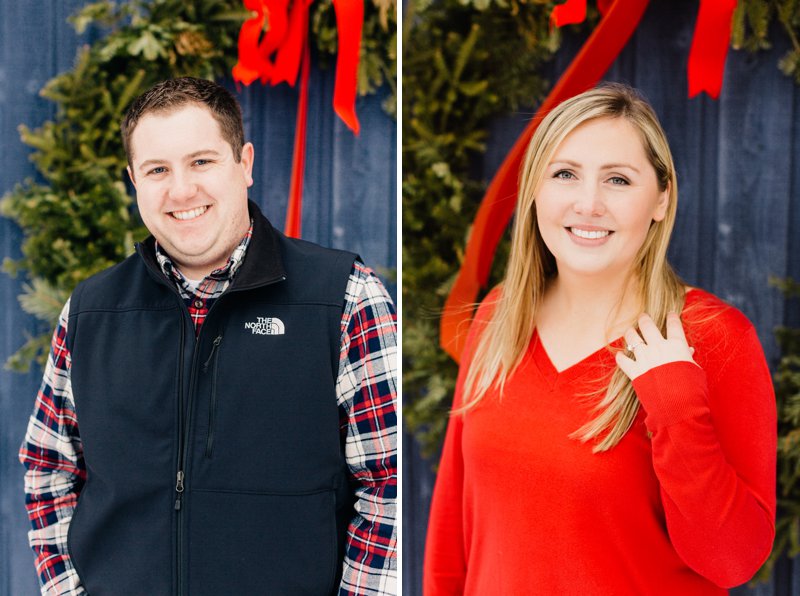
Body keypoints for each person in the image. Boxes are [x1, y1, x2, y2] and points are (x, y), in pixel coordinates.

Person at [19, 77, 397, 595]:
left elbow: (387, 486)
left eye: (201, 162)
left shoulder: (346, 298)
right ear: (134, 180)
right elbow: (47, 468)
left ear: (243, 163)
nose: (181, 190)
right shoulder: (92, 310)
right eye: (157, 170)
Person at [423, 83, 776, 595]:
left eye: (617, 180)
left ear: (661, 198)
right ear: (536, 190)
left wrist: (676, 404)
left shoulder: (713, 337)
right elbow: (452, 527)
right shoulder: (501, 314)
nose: (588, 204)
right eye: (565, 174)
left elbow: (732, 560)